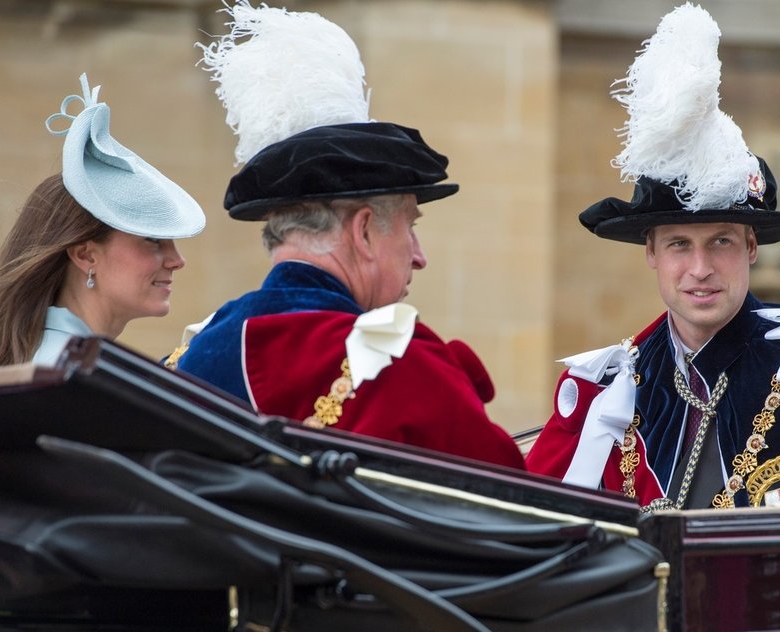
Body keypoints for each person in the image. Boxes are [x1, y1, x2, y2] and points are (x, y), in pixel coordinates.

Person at [525, 3, 780, 509]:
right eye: (678, 245)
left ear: (752, 247)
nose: (700, 269)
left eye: (721, 241)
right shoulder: (611, 384)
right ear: (650, 251)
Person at [173, 5, 524, 470]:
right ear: (362, 232)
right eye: (410, 227)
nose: (419, 257)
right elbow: (514, 513)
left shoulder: (190, 357)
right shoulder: (404, 368)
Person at [0, 73, 205, 367]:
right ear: (86, 255)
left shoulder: (59, 360)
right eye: (152, 240)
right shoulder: (64, 371)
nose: (177, 260)